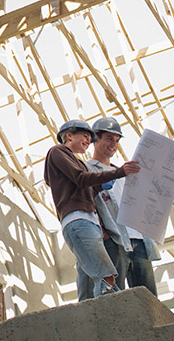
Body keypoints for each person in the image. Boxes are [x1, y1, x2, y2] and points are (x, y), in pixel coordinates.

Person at [44, 119, 140, 300]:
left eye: (90, 138)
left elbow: (85, 185)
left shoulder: (76, 162)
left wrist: (101, 185)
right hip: (79, 221)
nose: (89, 141)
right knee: (105, 276)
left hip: (88, 222)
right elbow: (81, 179)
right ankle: (106, 314)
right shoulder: (58, 151)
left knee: (104, 275)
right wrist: (118, 172)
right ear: (69, 135)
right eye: (85, 136)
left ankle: (104, 311)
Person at [78, 117, 160, 299]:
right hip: (115, 239)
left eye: (116, 140)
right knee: (116, 296)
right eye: (108, 138)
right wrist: (101, 230)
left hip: (139, 239)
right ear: (94, 139)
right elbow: (82, 200)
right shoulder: (86, 169)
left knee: (148, 299)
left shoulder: (125, 172)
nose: (113, 144)